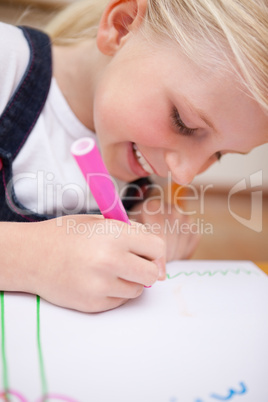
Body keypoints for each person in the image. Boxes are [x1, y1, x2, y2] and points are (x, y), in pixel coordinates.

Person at [0, 0, 267, 313]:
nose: (183, 175)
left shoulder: (138, 170)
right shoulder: (7, 61)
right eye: (183, 122)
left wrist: (150, 228)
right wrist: (33, 258)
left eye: (219, 154)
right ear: (122, 26)